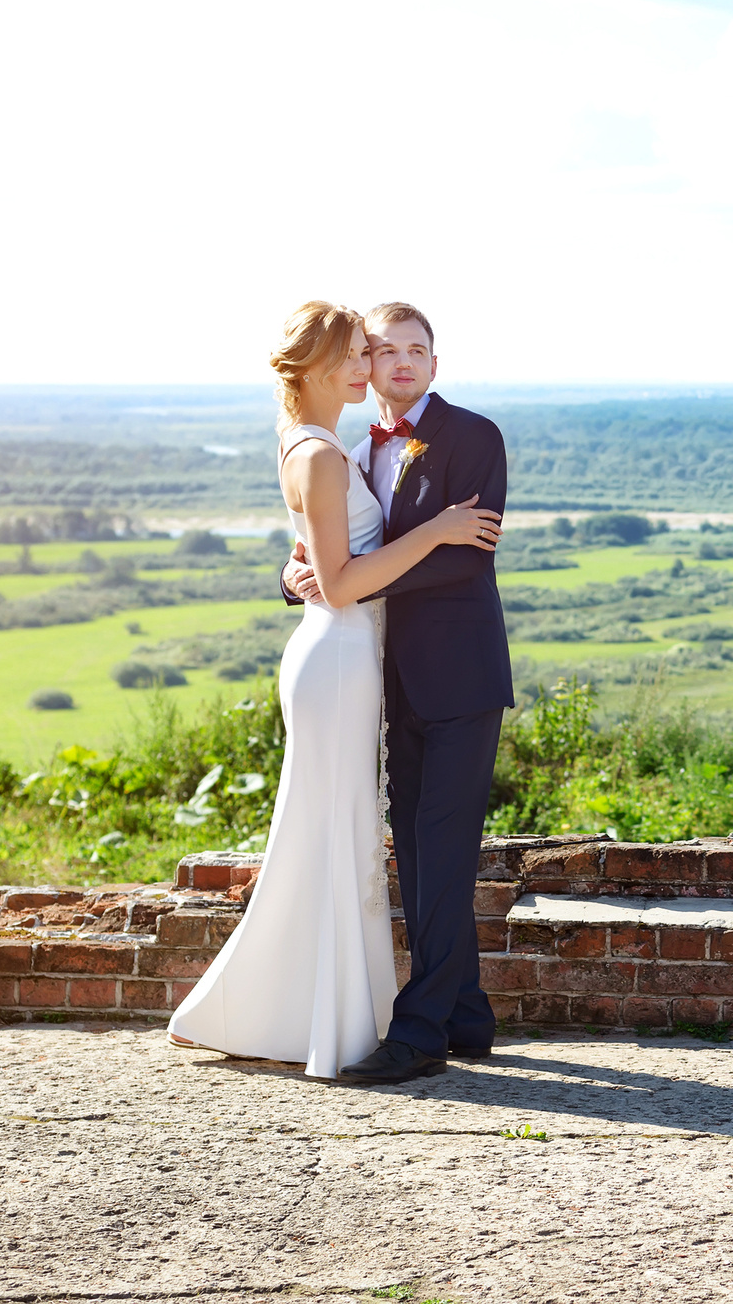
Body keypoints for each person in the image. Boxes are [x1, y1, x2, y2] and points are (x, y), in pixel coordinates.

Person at [166, 303, 497, 1080]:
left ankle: (436, 1017)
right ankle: (334, 1015)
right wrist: (425, 531)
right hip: (346, 662)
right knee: (343, 833)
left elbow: (355, 560)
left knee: (369, 837)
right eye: (363, 354)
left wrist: (311, 574)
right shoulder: (332, 451)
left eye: (379, 353)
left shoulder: (446, 438)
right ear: (315, 367)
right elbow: (338, 574)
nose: (372, 366)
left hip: (410, 668)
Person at [281, 301, 513, 1085]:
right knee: (416, 854)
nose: (402, 361)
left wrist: (349, 583)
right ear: (368, 366)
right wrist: (301, 577)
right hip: (386, 680)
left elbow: (466, 559)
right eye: (385, 350)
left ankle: (419, 1034)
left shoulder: (473, 436)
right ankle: (466, 1014)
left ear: (435, 365)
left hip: (459, 676)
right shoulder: (351, 450)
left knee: (440, 853)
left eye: (418, 349)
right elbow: (330, 546)